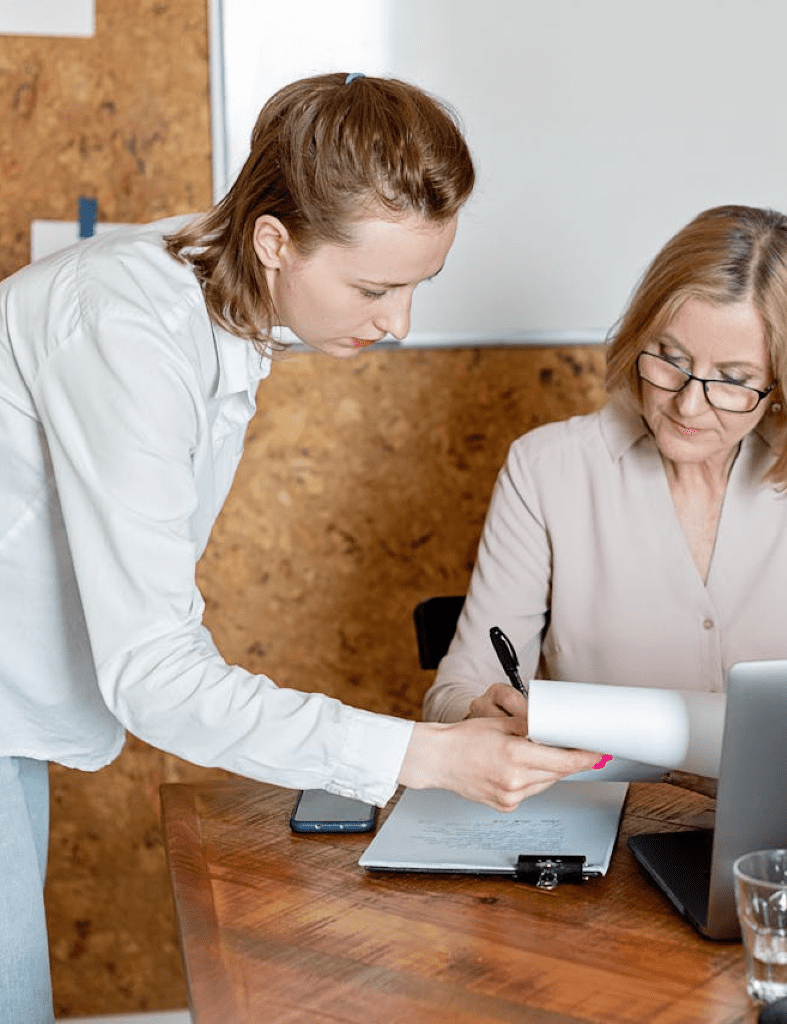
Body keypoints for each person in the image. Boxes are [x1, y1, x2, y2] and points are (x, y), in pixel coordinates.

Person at [0, 73, 598, 1024]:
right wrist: (427, 757)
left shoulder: (216, 295)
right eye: (375, 288)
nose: (399, 324)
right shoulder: (126, 328)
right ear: (275, 241)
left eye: (418, 286)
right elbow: (156, 676)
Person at [423, 204, 787, 727]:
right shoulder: (545, 469)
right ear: (640, 334)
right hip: (602, 782)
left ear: (782, 382)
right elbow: (455, 691)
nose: (687, 405)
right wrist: (477, 712)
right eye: (670, 358)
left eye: (732, 379)